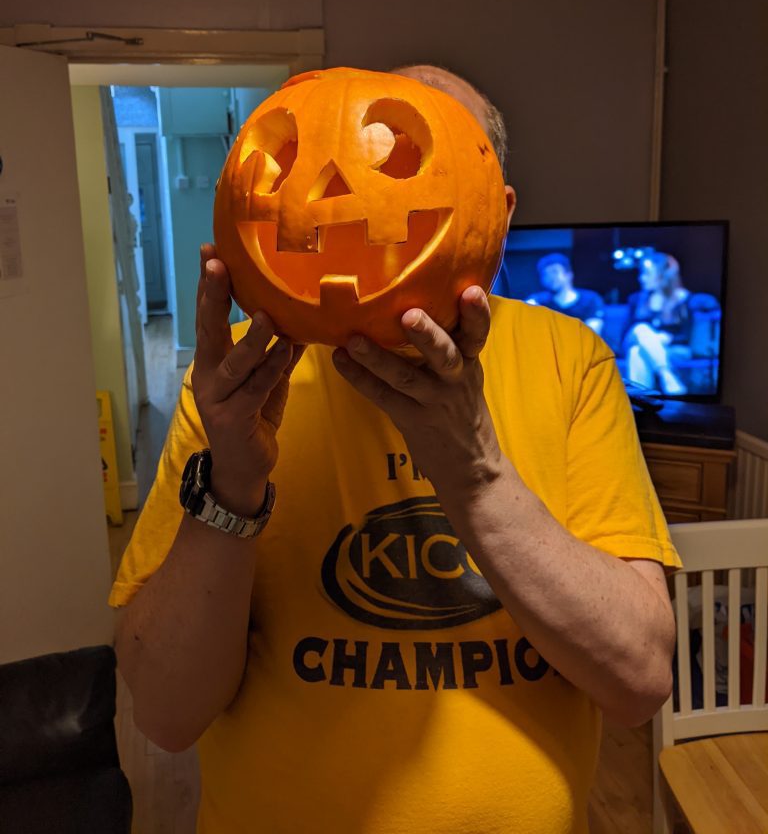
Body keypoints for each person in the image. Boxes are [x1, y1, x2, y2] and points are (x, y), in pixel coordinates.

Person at [111, 65, 680, 834]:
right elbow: (166, 716)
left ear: (498, 212)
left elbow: (639, 680)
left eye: (408, 154)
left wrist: (475, 474)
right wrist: (232, 484)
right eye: (310, 153)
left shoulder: (567, 357)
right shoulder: (236, 380)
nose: (343, 186)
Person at [624, 251, 693, 396]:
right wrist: (652, 337)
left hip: (674, 348)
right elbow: (625, 333)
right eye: (641, 273)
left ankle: (641, 401)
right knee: (641, 328)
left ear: (663, 275)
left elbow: (688, 335)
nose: (641, 278)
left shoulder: (682, 299)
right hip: (634, 339)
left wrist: (669, 338)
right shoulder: (636, 299)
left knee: (636, 353)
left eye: (647, 273)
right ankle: (666, 374)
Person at [526, 252, 605, 334]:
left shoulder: (590, 300)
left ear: (569, 274)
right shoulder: (539, 301)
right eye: (545, 274)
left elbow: (592, 334)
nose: (550, 277)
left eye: (554, 272)